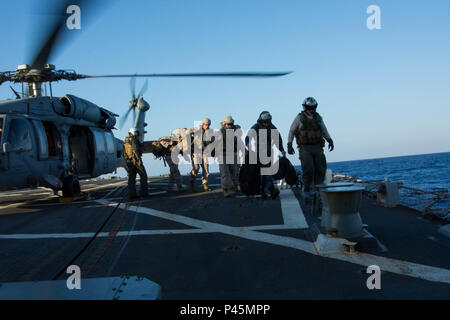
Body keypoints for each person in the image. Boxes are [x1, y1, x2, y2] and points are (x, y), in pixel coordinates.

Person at [287, 97, 334, 196]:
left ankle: (318, 189)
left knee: (321, 168)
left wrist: (329, 140)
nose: (312, 110)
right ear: (305, 107)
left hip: (317, 147)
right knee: (308, 169)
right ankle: (306, 189)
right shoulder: (299, 118)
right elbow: (291, 131)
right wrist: (289, 144)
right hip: (305, 148)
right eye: (310, 108)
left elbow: (324, 130)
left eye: (313, 107)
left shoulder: (318, 117)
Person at [245, 111, 286, 199]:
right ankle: (272, 190)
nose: (266, 123)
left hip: (269, 153)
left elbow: (278, 139)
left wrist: (282, 149)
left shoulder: (272, 127)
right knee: (267, 171)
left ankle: (263, 190)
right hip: (260, 153)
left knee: (266, 173)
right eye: (264, 122)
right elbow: (248, 136)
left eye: (267, 121)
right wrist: (248, 143)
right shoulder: (256, 126)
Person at [218, 115, 241, 198]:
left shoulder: (235, 131)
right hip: (222, 154)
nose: (229, 126)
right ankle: (225, 190)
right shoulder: (220, 133)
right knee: (224, 173)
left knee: (234, 171)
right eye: (227, 124)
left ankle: (234, 186)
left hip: (233, 154)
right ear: (224, 124)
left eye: (230, 124)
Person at [188, 118, 212, 192]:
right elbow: (187, 132)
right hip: (196, 152)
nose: (206, 126)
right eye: (205, 125)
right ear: (203, 124)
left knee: (206, 169)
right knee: (196, 168)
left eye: (208, 125)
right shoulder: (197, 128)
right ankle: (191, 182)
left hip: (204, 152)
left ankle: (205, 185)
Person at [123, 128, 148, 199]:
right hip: (136, 161)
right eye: (136, 133)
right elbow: (135, 150)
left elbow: (124, 153)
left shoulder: (125, 141)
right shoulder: (133, 140)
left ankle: (132, 194)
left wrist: (127, 161)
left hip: (129, 162)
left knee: (131, 178)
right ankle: (143, 193)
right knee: (143, 176)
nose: (137, 134)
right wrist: (139, 160)